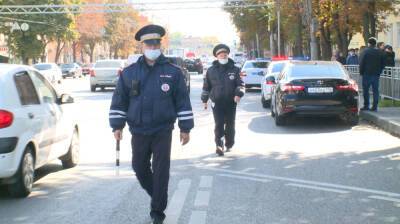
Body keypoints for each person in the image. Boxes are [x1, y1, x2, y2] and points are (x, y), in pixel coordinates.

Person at [109, 24, 194, 224]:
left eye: (156, 44)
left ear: (160, 45)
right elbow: (120, 100)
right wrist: (117, 125)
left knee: (161, 170)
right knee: (139, 167)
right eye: (149, 44)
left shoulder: (173, 72)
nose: (153, 47)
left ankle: (157, 211)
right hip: (138, 129)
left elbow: (182, 101)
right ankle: (159, 196)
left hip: (163, 130)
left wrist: (185, 128)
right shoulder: (129, 73)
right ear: (142, 46)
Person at [201, 44, 244, 156]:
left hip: (230, 102)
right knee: (219, 123)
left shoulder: (235, 69)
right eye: (220, 54)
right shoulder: (211, 71)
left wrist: (238, 94)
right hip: (217, 102)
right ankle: (219, 145)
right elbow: (206, 87)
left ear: (228, 55)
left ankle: (229, 143)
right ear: (217, 56)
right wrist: (204, 100)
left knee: (230, 124)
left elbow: (240, 84)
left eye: (225, 54)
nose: (223, 55)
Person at [359, 37, 386, 112]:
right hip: (376, 74)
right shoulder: (380, 52)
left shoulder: (365, 51)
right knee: (375, 90)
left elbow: (362, 63)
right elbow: (383, 63)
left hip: (366, 74)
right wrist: (379, 71)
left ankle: (366, 105)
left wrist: (361, 72)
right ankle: (375, 106)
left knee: (366, 90)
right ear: (375, 44)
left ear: (369, 43)